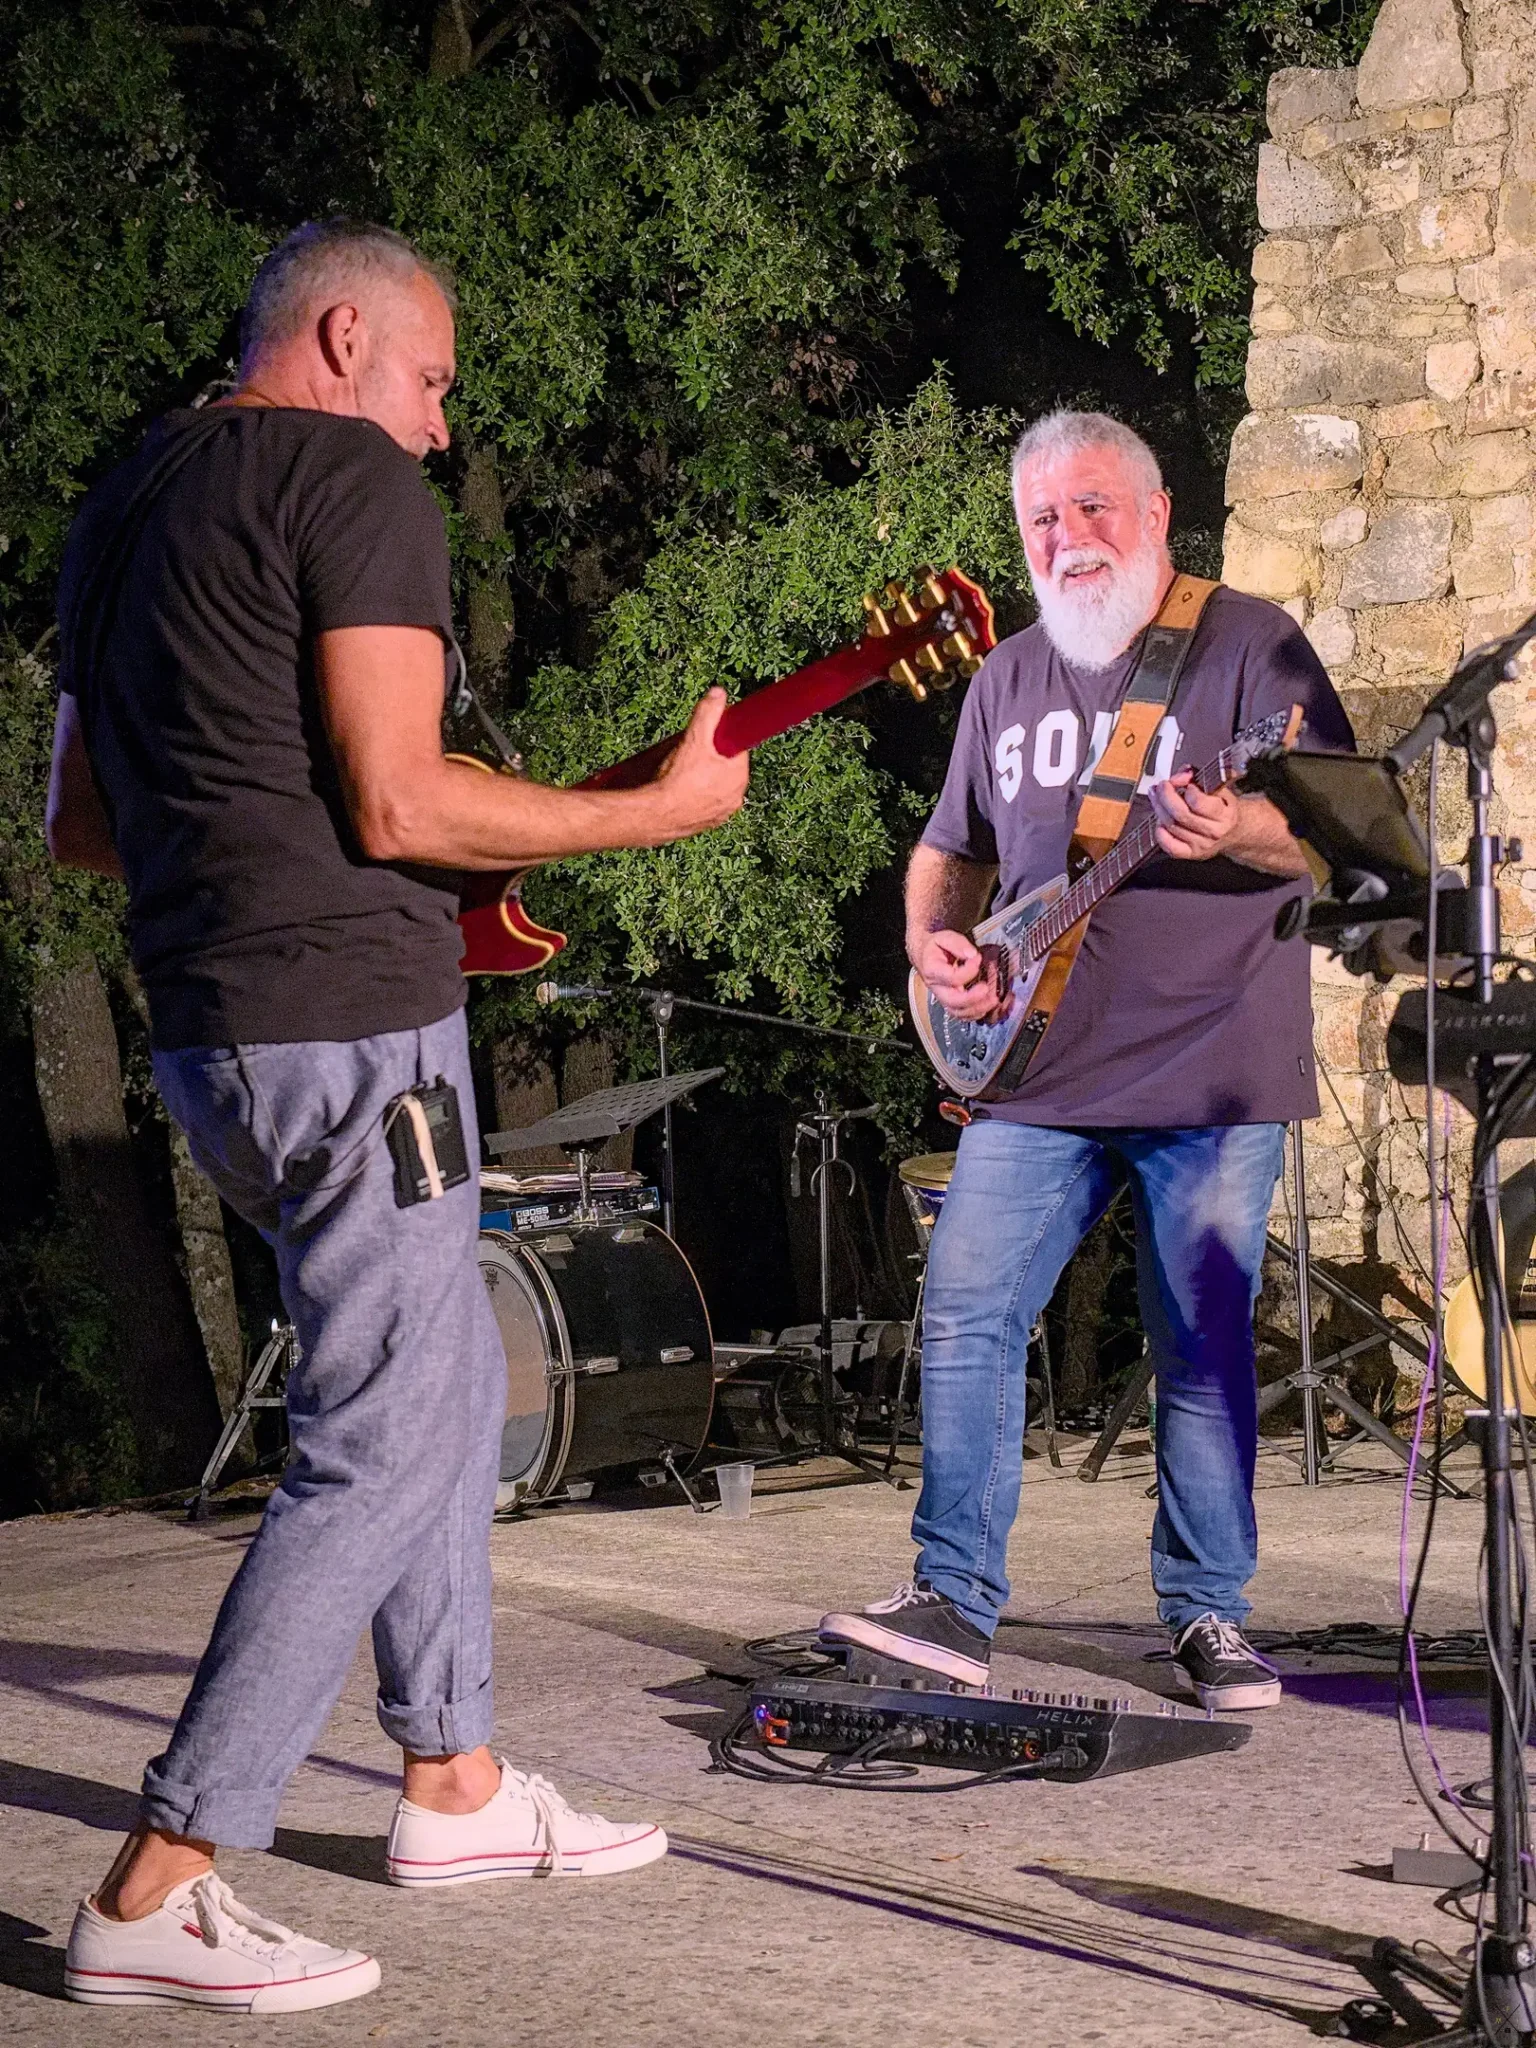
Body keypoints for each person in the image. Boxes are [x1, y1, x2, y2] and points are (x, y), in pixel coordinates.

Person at [46, 217, 748, 2015]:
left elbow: (83, 827)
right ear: (345, 337)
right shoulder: (348, 479)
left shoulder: (127, 502)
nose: (439, 426)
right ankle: (162, 1878)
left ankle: (453, 1781)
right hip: (358, 1042)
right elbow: (403, 798)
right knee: (378, 1438)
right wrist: (651, 817)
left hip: (214, 1043)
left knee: (428, 1387)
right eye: (432, 382)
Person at [819, 409, 1353, 1715]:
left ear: (1158, 515)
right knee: (965, 1307)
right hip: (1036, 1074)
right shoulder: (1005, 678)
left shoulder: (1250, 644)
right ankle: (952, 1600)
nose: (1069, 537)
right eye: (1043, 517)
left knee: (1198, 1342)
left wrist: (1240, 826)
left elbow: (1338, 839)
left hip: (1213, 1066)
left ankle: (1209, 1611)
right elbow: (948, 851)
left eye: (1095, 507)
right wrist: (934, 946)